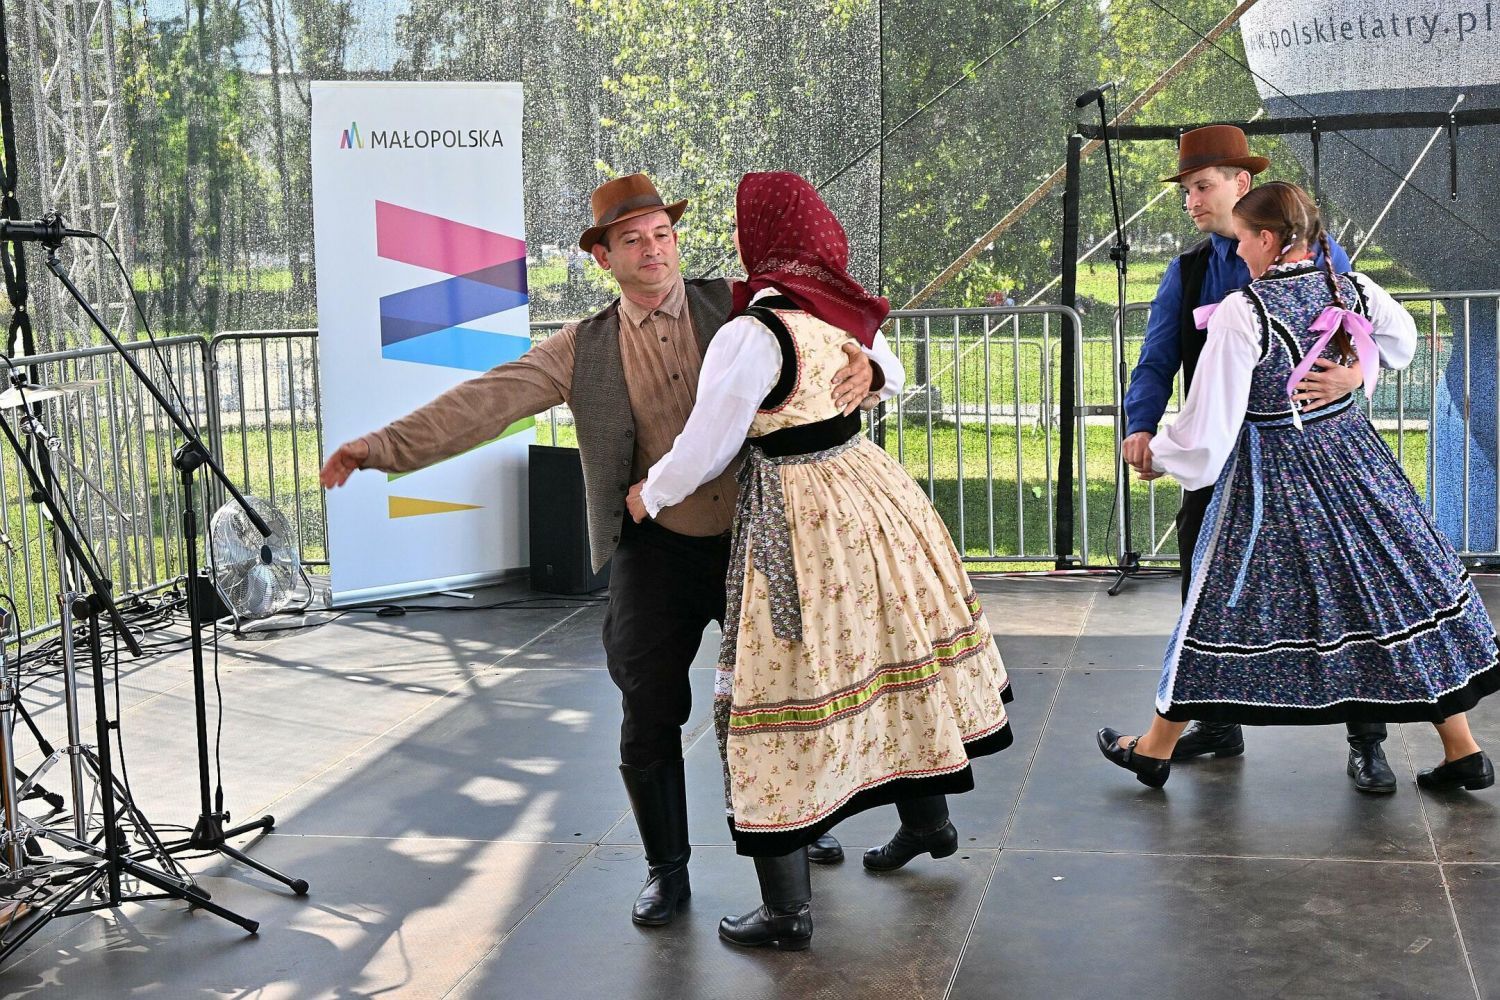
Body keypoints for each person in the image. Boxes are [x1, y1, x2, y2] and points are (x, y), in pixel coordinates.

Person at [320, 173, 883, 928]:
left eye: (662, 234)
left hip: (758, 540)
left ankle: (800, 825)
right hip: (657, 547)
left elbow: (849, 330)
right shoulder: (581, 349)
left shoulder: (739, 304)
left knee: (784, 693)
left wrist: (874, 369)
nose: (653, 250)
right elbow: (487, 402)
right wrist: (379, 447)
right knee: (647, 704)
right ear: (603, 257)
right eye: (632, 240)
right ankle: (667, 869)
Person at [628, 172, 1013, 950]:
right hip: (874, 497)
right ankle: (929, 821)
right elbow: (889, 370)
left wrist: (650, 493)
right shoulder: (838, 305)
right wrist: (875, 374)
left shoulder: (752, 333)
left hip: (800, 517)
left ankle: (788, 911)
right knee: (888, 654)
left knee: (779, 685)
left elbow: (707, 447)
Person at [1099, 181, 1499, 792]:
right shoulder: (1353, 288)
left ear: (1267, 239)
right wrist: (1358, 370)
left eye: (1243, 241)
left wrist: (1160, 453)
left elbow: (1209, 428)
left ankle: (1155, 749)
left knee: (1219, 603)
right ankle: (1461, 748)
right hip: (1356, 464)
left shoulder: (1244, 313)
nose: (1239, 254)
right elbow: (1404, 341)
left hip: (1274, 476)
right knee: (1394, 592)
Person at [1120, 125, 1399, 793]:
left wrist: (1356, 374)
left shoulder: (1318, 257)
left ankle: (1367, 740)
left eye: (1202, 186)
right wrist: (1141, 426)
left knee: (1344, 588)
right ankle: (1216, 724)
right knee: (1205, 582)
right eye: (1188, 190)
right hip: (1223, 456)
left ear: (1242, 186)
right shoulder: (1188, 271)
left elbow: (1368, 330)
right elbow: (1158, 357)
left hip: (1309, 460)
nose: (1191, 200)